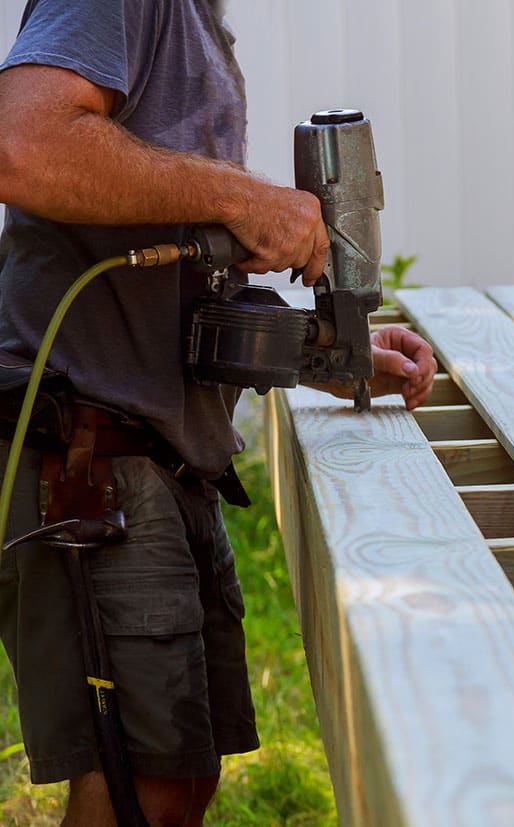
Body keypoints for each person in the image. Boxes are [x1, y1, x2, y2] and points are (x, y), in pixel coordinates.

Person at [0, 0, 437, 823]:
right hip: (90, 462)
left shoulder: (197, 20)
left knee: (181, 782)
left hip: (162, 460)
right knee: (141, 791)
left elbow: (182, 289)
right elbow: (23, 142)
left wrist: (332, 354)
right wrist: (241, 197)